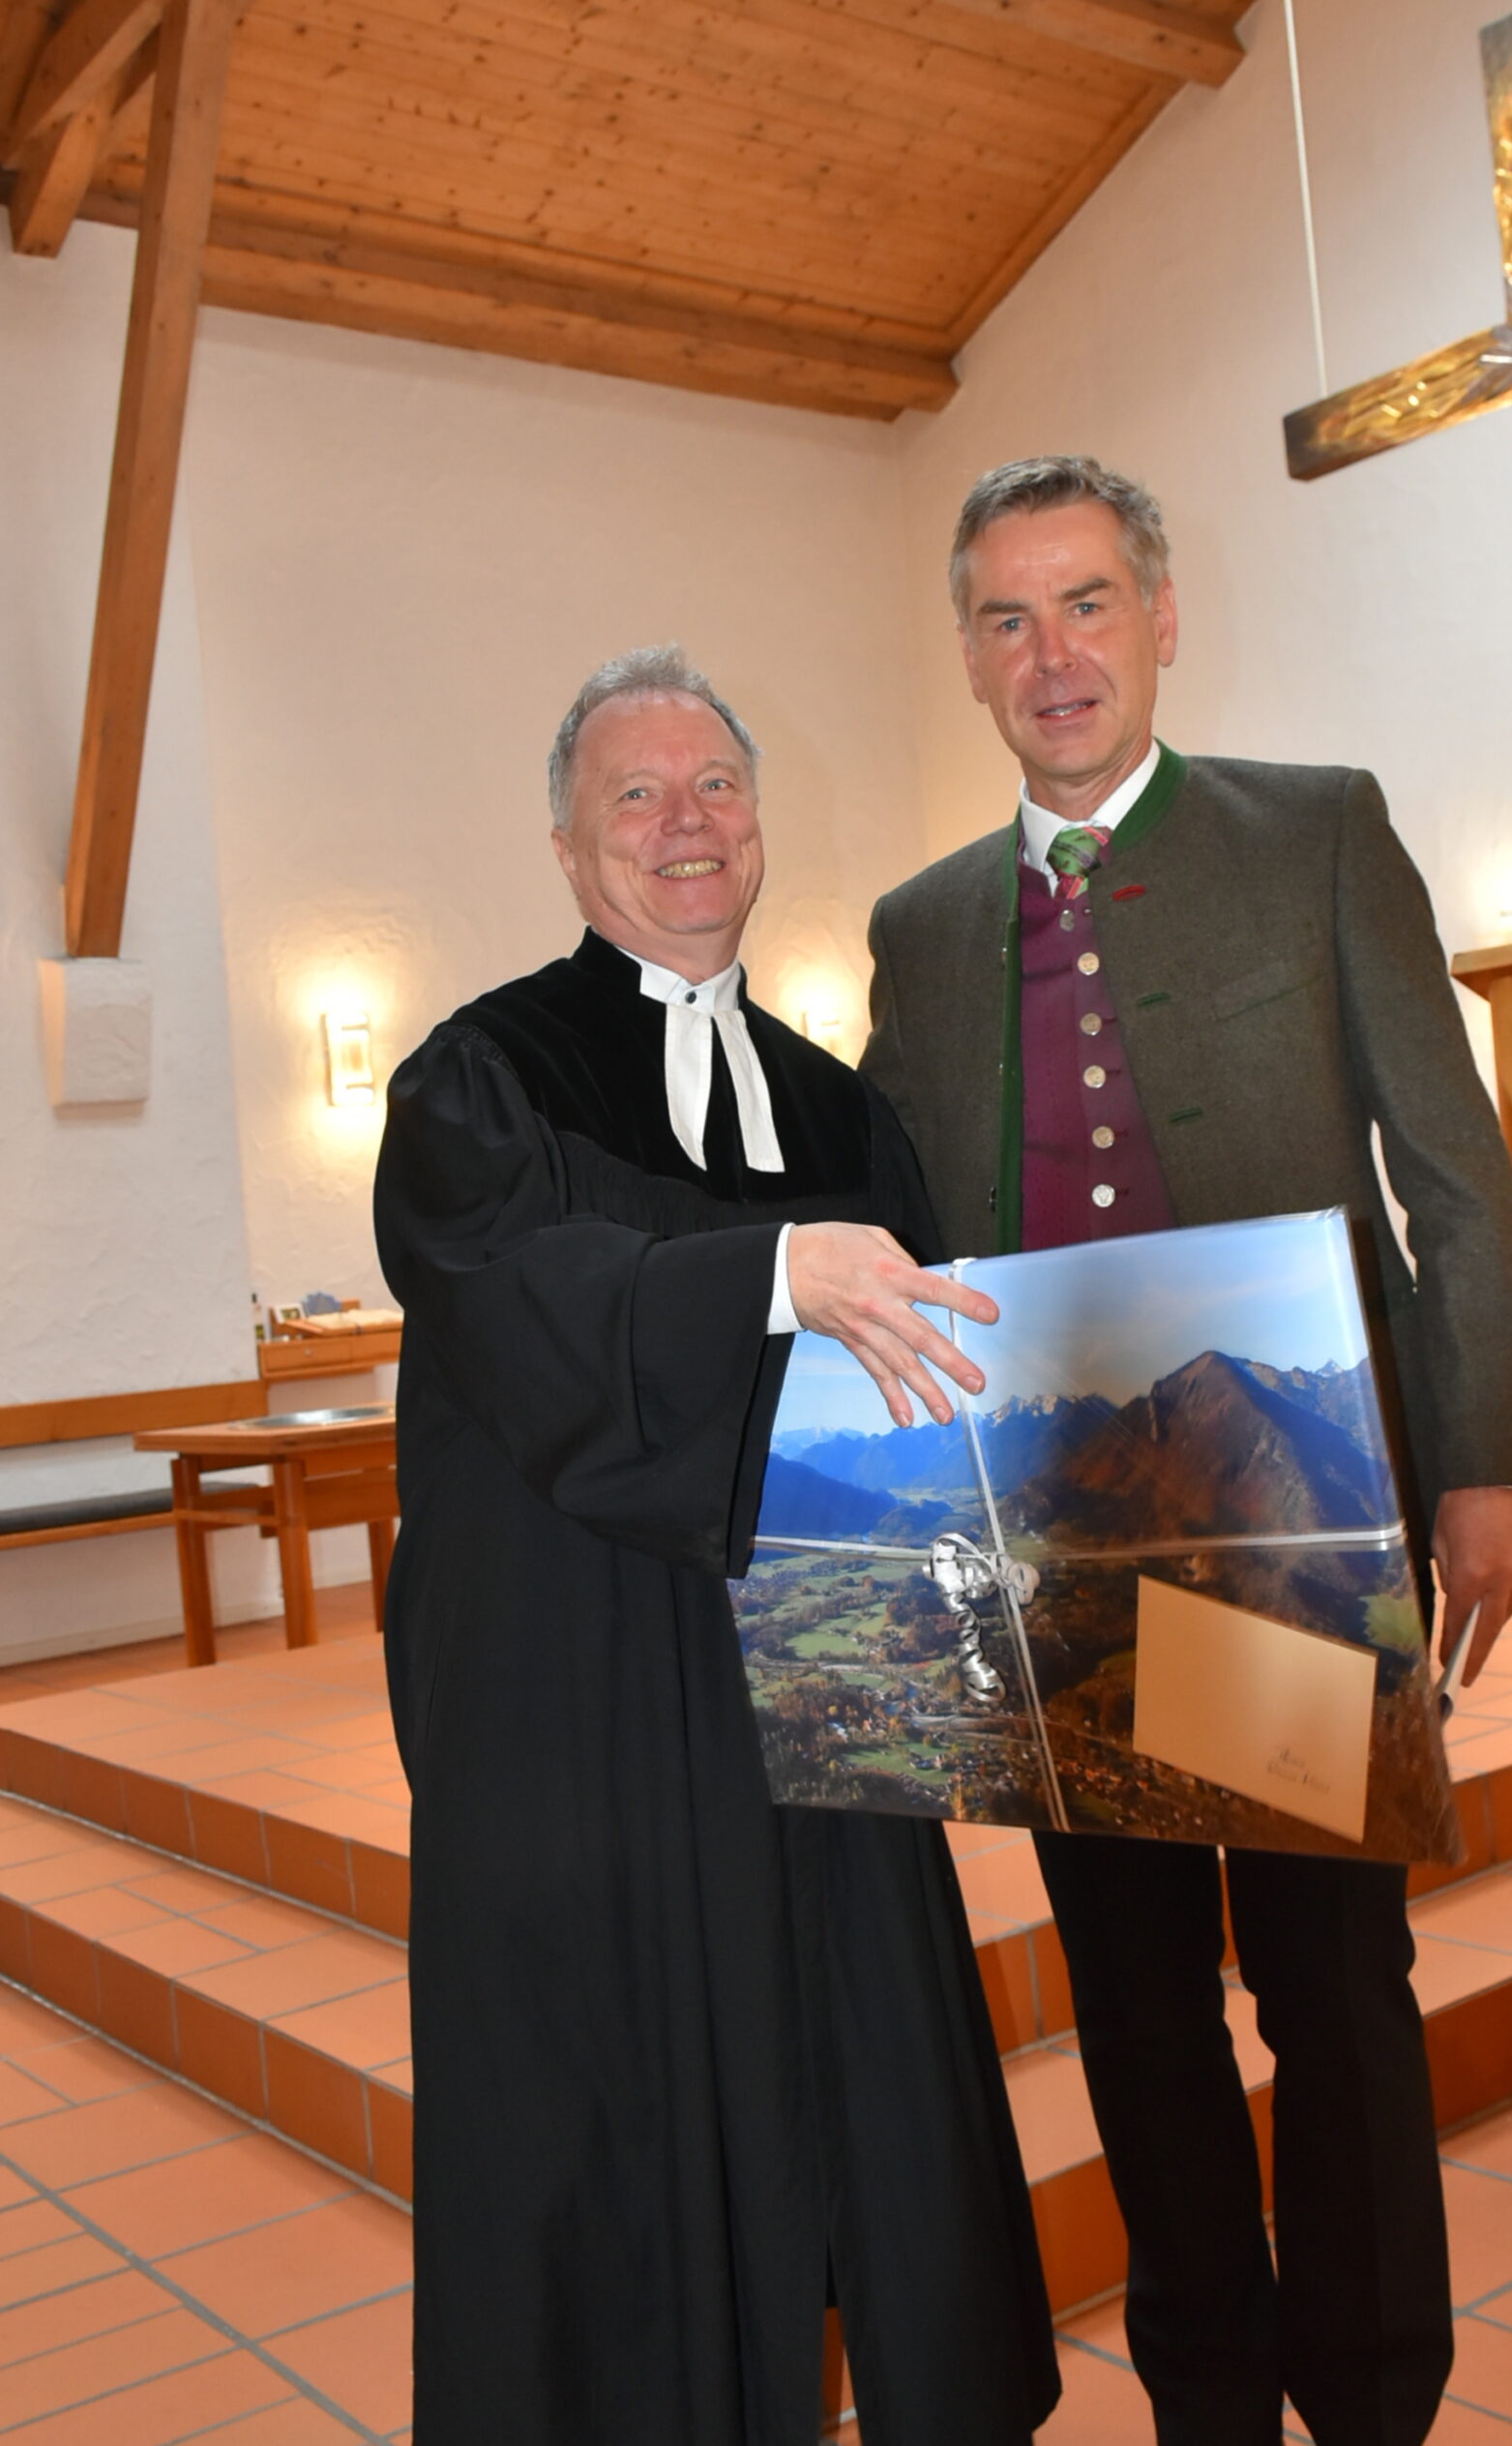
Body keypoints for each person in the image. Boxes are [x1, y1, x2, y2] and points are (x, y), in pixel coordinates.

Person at [861, 457, 1512, 2446]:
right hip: (1058, 1530)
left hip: (1291, 1505)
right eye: (1007, 617)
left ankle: (1377, 2395)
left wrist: (1487, 1457)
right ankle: (1210, 2406)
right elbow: (899, 1236)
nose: (1052, 653)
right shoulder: (921, 926)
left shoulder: (1317, 831)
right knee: (1138, 2010)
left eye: (1087, 602)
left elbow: (1454, 1174)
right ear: (968, 655)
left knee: (1331, 1991)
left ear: (1160, 618)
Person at [373, 645, 1059, 2446]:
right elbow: (524, 1303)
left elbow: (946, 1393)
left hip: (820, 1706)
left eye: (717, 789)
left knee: (854, 2104)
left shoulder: (843, 1111)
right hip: (582, 1705)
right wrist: (772, 1274)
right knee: (609, 2138)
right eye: (637, 795)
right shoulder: (480, 1076)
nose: (686, 825)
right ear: (567, 843)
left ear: (759, 825)